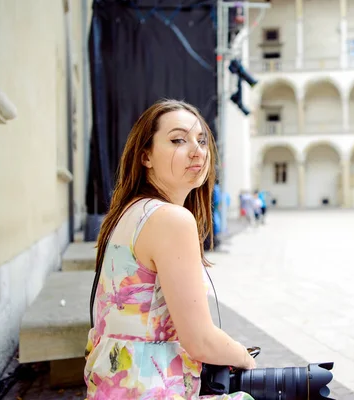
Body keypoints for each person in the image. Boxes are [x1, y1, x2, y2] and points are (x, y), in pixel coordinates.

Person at [84, 100, 256, 399]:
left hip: (116, 385)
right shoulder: (170, 219)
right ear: (146, 156)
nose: (197, 150)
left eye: (201, 140)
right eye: (178, 140)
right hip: (152, 388)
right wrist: (244, 357)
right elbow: (200, 340)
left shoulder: (128, 213)